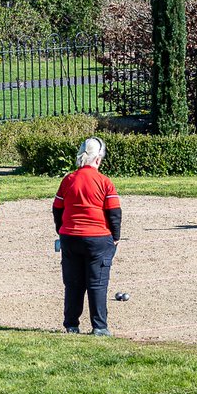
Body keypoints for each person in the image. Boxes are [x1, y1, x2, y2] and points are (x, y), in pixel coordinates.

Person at [53, 138, 121, 336]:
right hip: (98, 238)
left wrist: (62, 230)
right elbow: (114, 213)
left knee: (73, 283)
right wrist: (115, 236)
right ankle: (99, 326)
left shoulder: (68, 179)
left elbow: (57, 209)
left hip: (70, 236)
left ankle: (71, 324)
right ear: (98, 159)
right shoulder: (104, 182)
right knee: (97, 284)